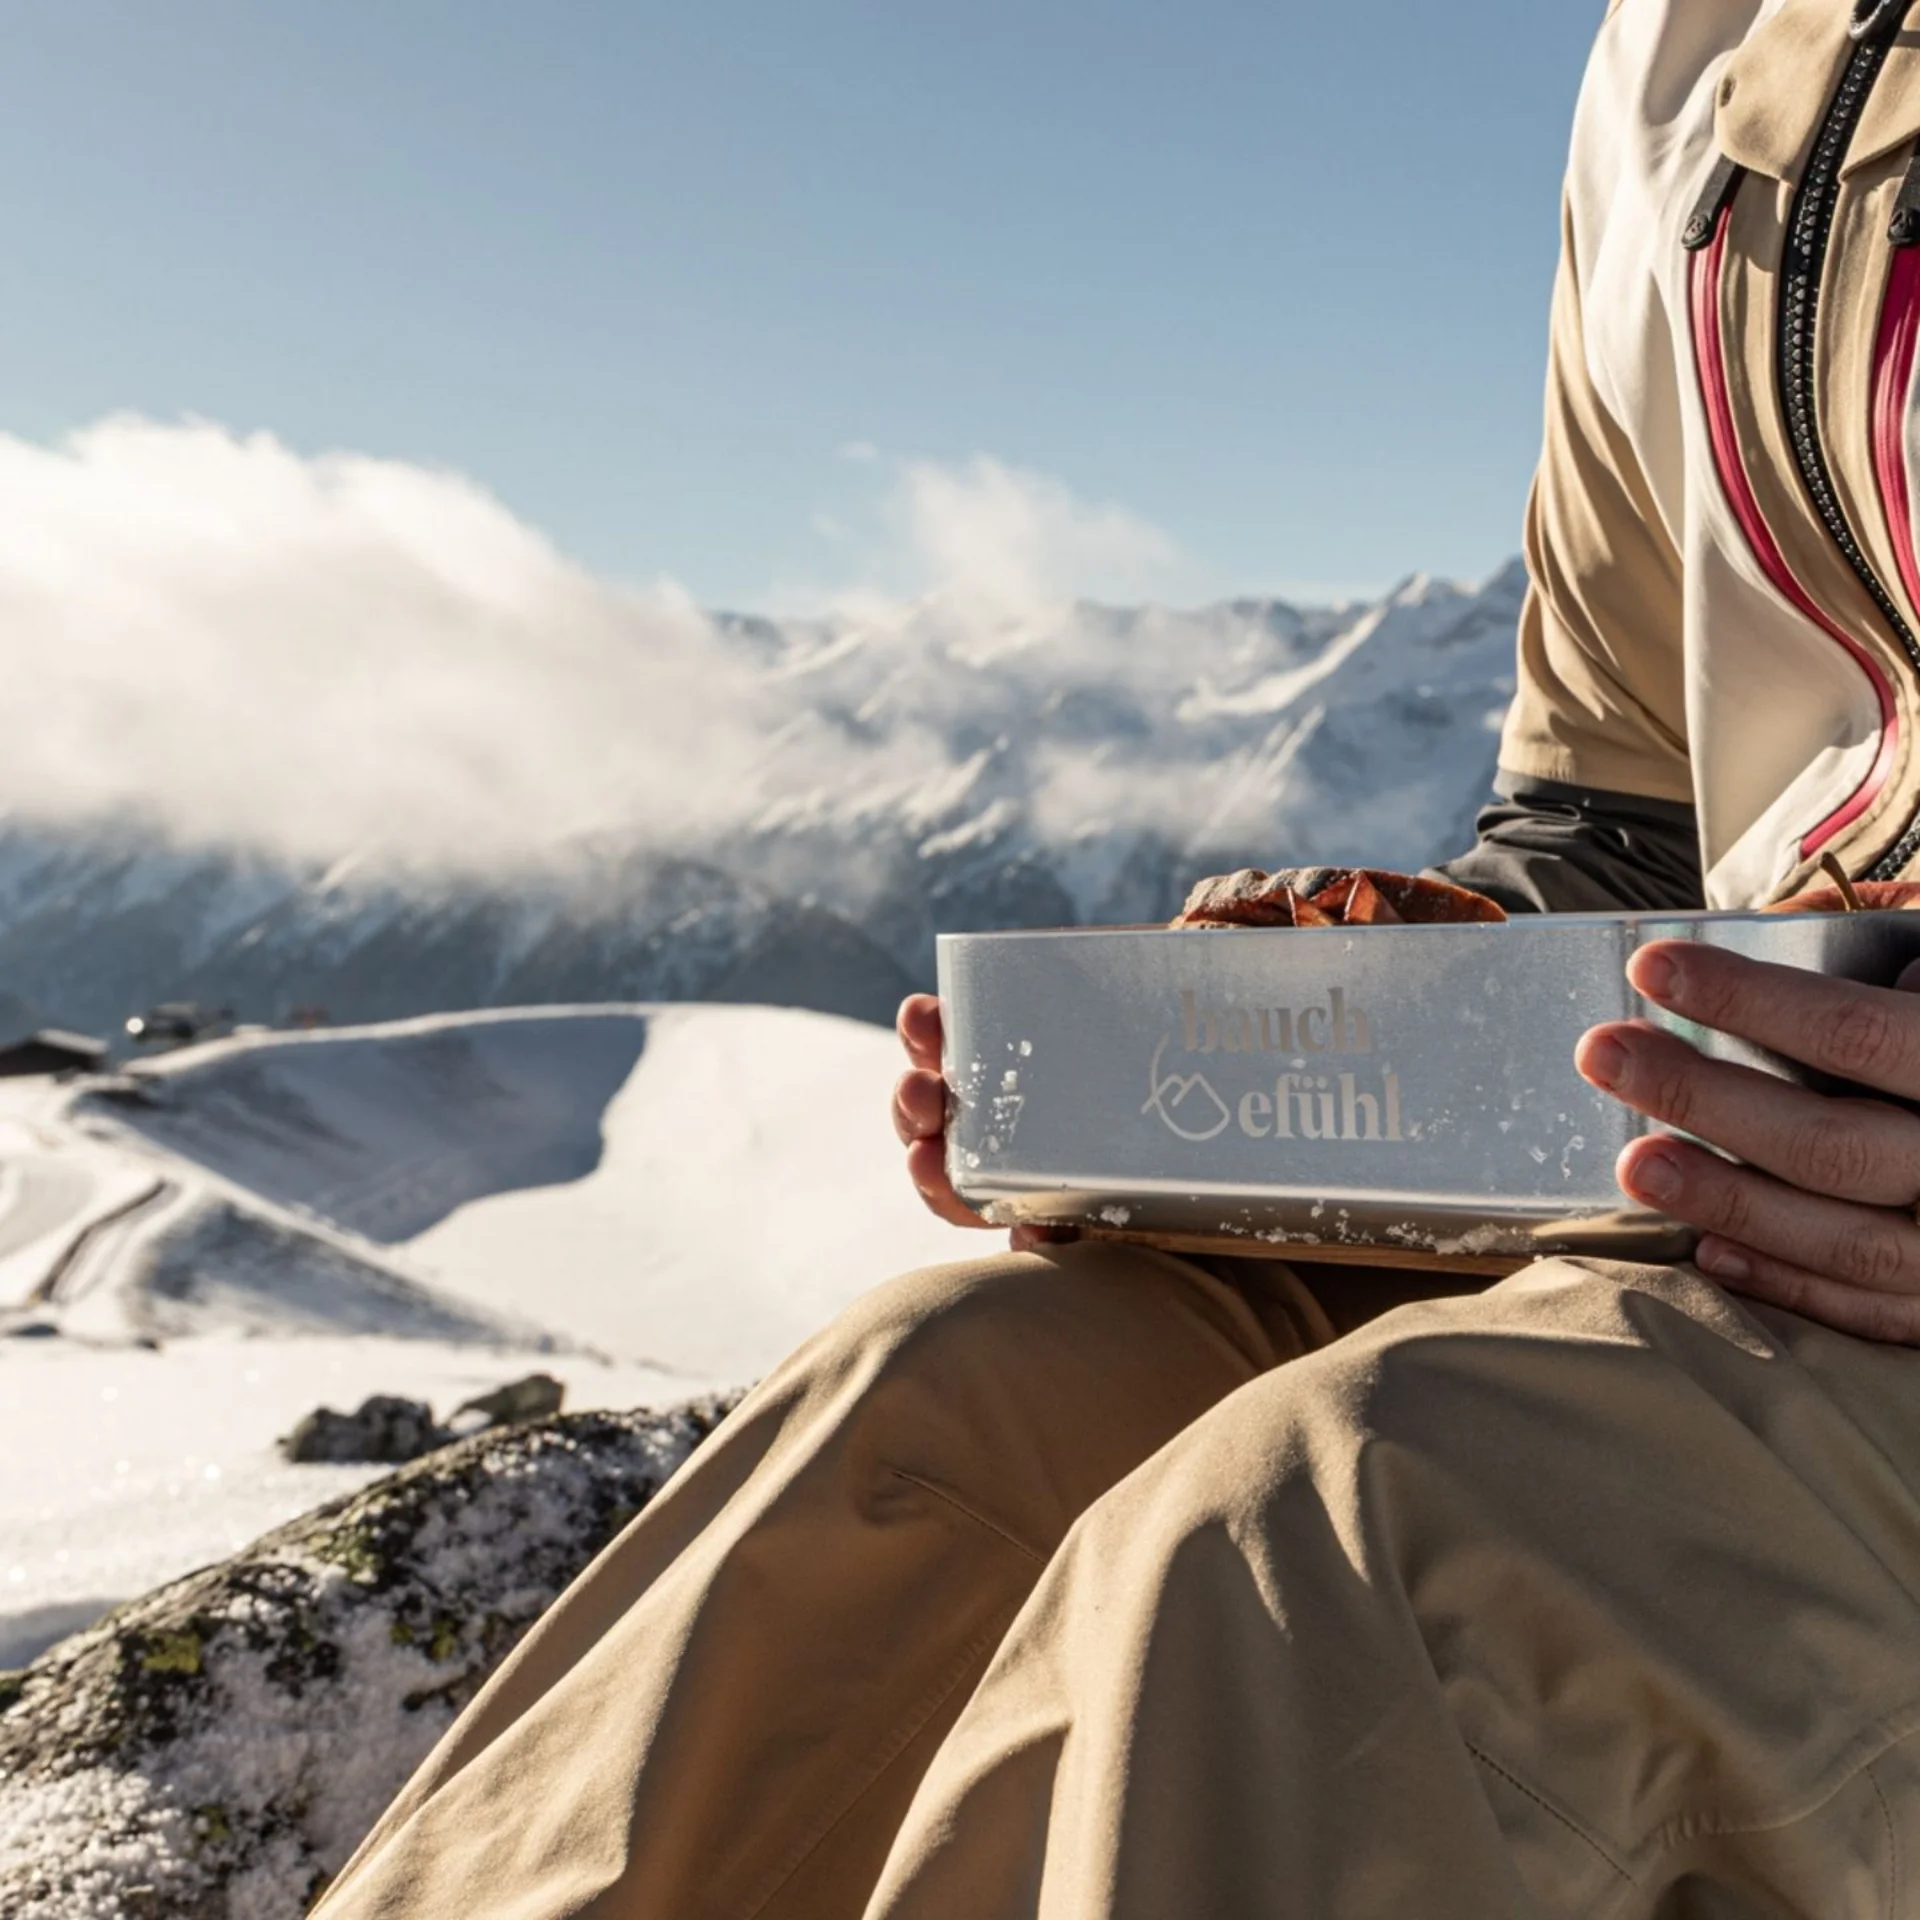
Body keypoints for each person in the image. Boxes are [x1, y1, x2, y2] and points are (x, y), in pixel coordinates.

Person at [315, 2, 1920, 1913]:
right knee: (924, 1422)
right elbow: (1625, 799)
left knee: (1332, 1544)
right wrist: (1342, 1026)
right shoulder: (1683, 47)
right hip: (1711, 1181)